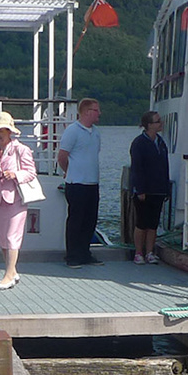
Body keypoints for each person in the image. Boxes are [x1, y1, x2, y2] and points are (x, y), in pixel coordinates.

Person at [0, 113, 37, 289]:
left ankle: (9, 275)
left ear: (10, 132)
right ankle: (11, 270)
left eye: (1, 131)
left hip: (16, 198)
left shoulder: (21, 149)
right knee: (3, 238)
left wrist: (15, 174)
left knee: (12, 236)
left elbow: (31, 172)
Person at [56, 96, 102, 268]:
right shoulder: (72, 131)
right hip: (76, 183)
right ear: (87, 112)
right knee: (76, 220)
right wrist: (69, 171)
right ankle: (72, 255)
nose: (99, 113)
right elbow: (62, 156)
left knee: (90, 220)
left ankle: (85, 253)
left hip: (92, 183)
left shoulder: (96, 132)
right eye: (96, 110)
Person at [129, 110, 170, 264]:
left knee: (153, 223)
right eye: (158, 121)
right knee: (141, 222)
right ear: (149, 125)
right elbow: (137, 168)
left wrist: (165, 188)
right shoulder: (139, 143)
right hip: (144, 190)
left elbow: (165, 166)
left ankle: (150, 252)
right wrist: (140, 189)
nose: (161, 124)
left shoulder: (161, 143)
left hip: (158, 189)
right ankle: (138, 252)